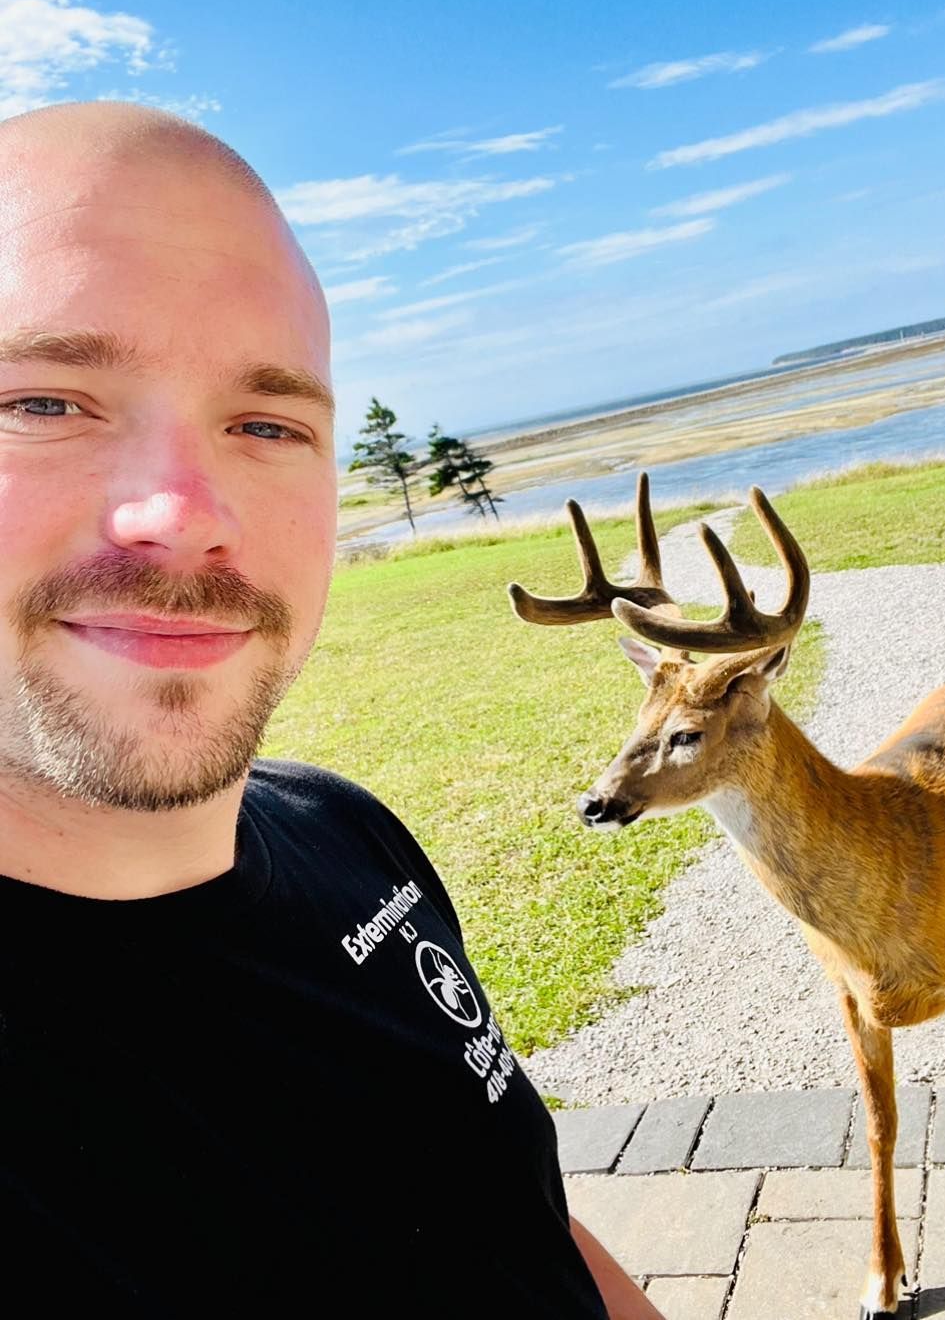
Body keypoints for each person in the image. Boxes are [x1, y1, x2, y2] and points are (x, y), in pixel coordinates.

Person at [0, 102, 663, 1317]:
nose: (187, 511)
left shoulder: (346, 837)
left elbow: (519, 1211)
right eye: (44, 401)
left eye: (267, 424)